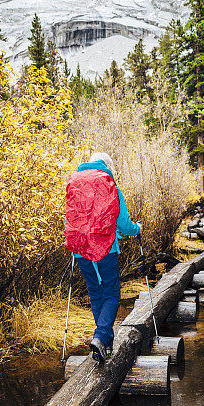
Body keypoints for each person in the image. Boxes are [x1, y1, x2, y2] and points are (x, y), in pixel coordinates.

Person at [65, 151, 141, 364]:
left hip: (79, 249)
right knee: (112, 294)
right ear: (107, 166)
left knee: (96, 293)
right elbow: (125, 225)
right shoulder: (111, 187)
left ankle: (104, 344)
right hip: (105, 248)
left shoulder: (75, 185)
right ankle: (100, 337)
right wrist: (138, 229)